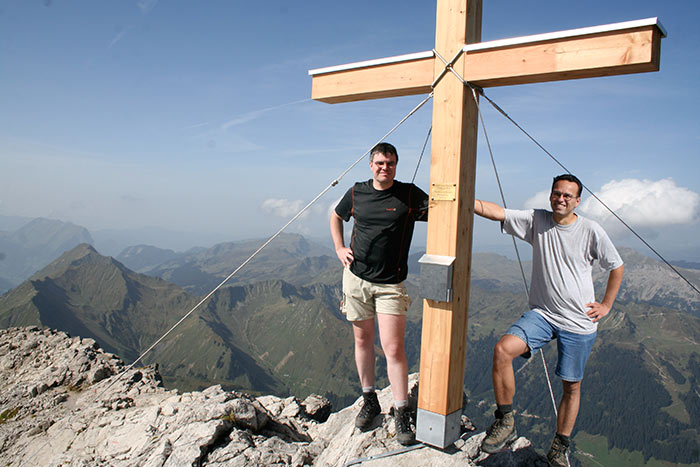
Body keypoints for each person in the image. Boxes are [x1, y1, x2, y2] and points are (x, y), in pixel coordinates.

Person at [475, 174, 624, 466]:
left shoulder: (591, 230)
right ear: (551, 195)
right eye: (557, 193)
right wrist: (464, 200)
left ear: (577, 201)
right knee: (503, 350)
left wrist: (606, 304)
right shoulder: (537, 221)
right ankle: (506, 422)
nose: (561, 199)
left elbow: (616, 266)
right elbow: (498, 212)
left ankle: (559, 447)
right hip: (543, 314)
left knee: (571, 386)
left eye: (568, 196)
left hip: (578, 322)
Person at [330, 142, 429, 446]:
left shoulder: (409, 194)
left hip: (390, 284)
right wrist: (339, 247)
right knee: (362, 341)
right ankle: (369, 399)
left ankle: (400, 411)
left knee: (392, 348)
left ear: (396, 165)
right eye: (380, 163)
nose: (385, 168)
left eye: (391, 163)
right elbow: (336, 215)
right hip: (357, 279)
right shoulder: (357, 192)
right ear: (370, 165)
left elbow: (443, 211)